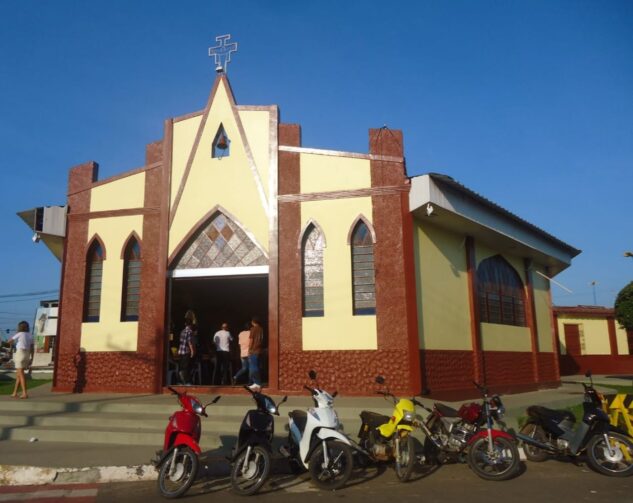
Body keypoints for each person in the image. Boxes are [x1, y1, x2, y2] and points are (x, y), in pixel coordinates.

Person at [10, 321, 34, 399]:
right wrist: (31, 358)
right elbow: (32, 348)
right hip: (27, 354)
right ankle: (15, 392)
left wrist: (14, 341)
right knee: (19, 374)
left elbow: (9, 341)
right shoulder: (30, 335)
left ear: (19, 327)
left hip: (20, 353)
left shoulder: (19, 334)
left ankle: (24, 393)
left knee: (21, 374)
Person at [178, 310, 197, 385]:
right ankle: (187, 381)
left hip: (181, 351)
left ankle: (180, 381)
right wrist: (192, 351)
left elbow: (181, 341)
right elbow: (189, 342)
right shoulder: (189, 332)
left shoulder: (182, 331)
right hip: (186, 351)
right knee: (187, 367)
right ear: (191, 325)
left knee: (181, 366)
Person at [247, 317, 264, 392]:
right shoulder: (261, 329)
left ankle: (257, 383)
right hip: (259, 350)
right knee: (256, 366)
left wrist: (249, 349)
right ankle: (255, 382)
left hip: (253, 350)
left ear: (253, 322)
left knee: (253, 367)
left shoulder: (253, 329)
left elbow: (251, 339)